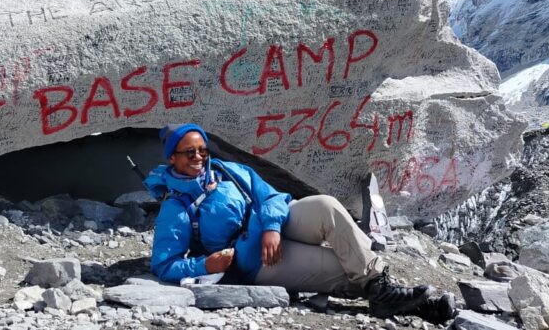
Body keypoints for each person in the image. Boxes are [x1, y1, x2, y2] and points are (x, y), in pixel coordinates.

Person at [144, 123, 456, 322]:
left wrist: (270, 228)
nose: (199, 156)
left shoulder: (226, 171)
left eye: (202, 149)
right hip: (254, 262)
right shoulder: (176, 207)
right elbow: (164, 265)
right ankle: (410, 303)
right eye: (189, 152)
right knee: (343, 267)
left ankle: (383, 290)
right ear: (173, 157)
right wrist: (204, 266)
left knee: (325, 205)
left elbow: (272, 196)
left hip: (272, 231)